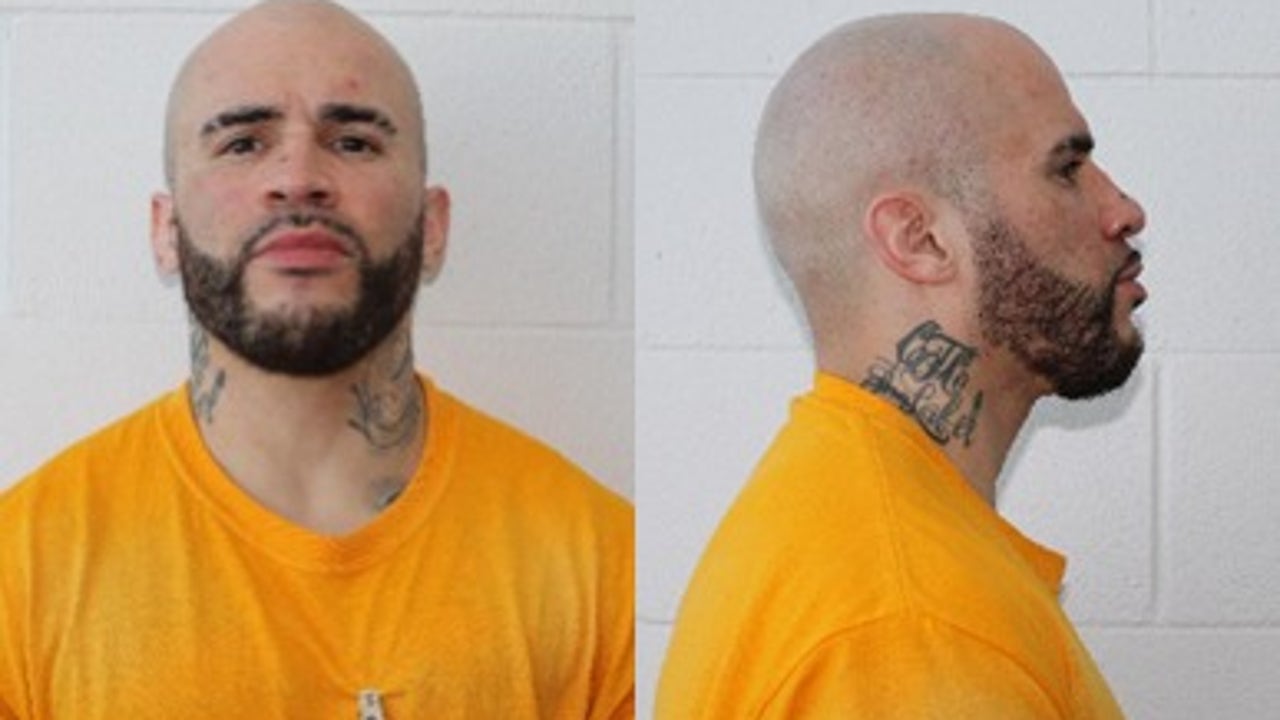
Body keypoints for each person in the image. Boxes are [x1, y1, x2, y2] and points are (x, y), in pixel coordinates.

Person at [0, 1, 633, 717]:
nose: (298, 177)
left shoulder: (603, 572)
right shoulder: (22, 578)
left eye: (354, 142)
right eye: (243, 142)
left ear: (433, 228)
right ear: (165, 231)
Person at [657, 13, 1146, 719]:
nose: (1124, 210)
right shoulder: (912, 627)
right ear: (920, 240)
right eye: (1067, 169)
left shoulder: (856, 527)